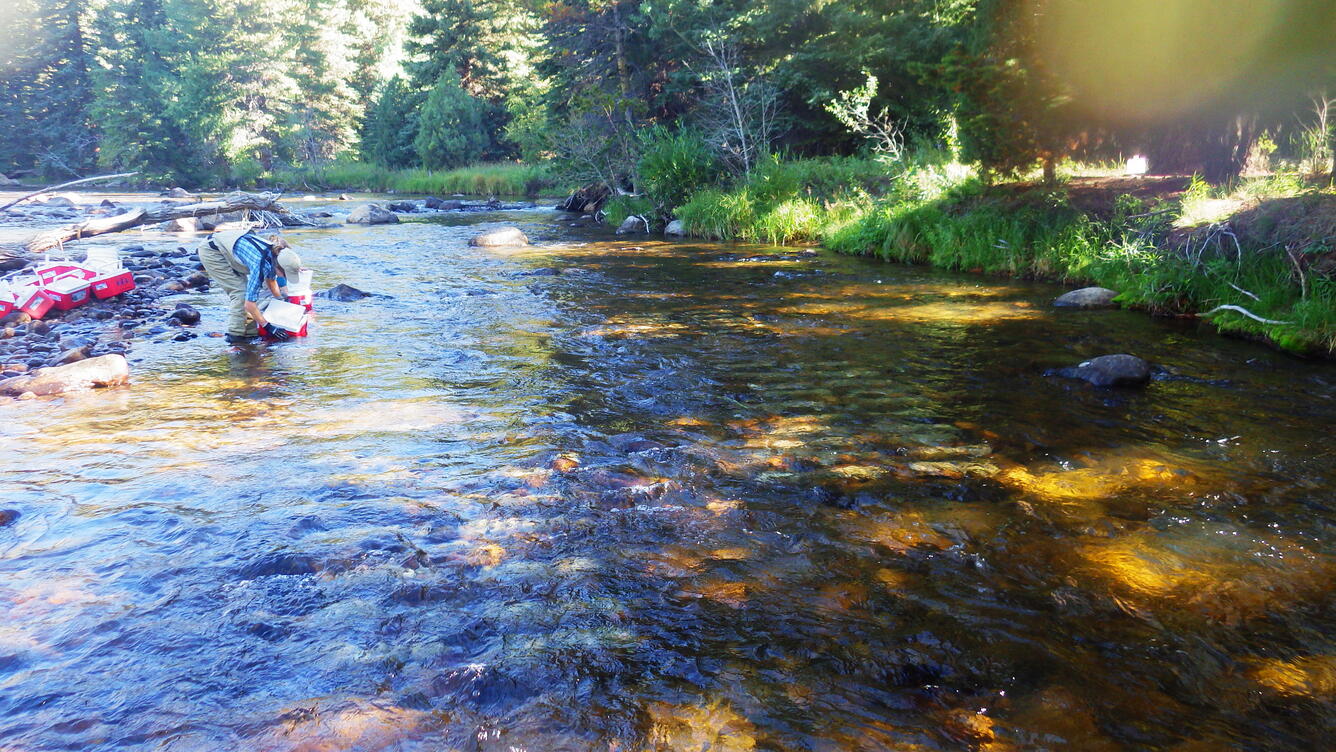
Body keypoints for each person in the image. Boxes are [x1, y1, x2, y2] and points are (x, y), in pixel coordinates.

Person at [197, 229, 303, 344]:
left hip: (227, 248)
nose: (284, 277)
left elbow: (271, 281)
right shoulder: (261, 264)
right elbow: (249, 303)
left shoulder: (274, 254)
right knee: (240, 293)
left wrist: (281, 301)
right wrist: (268, 326)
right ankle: (235, 336)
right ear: (278, 266)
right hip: (212, 251)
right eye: (285, 274)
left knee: (247, 292)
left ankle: (250, 334)